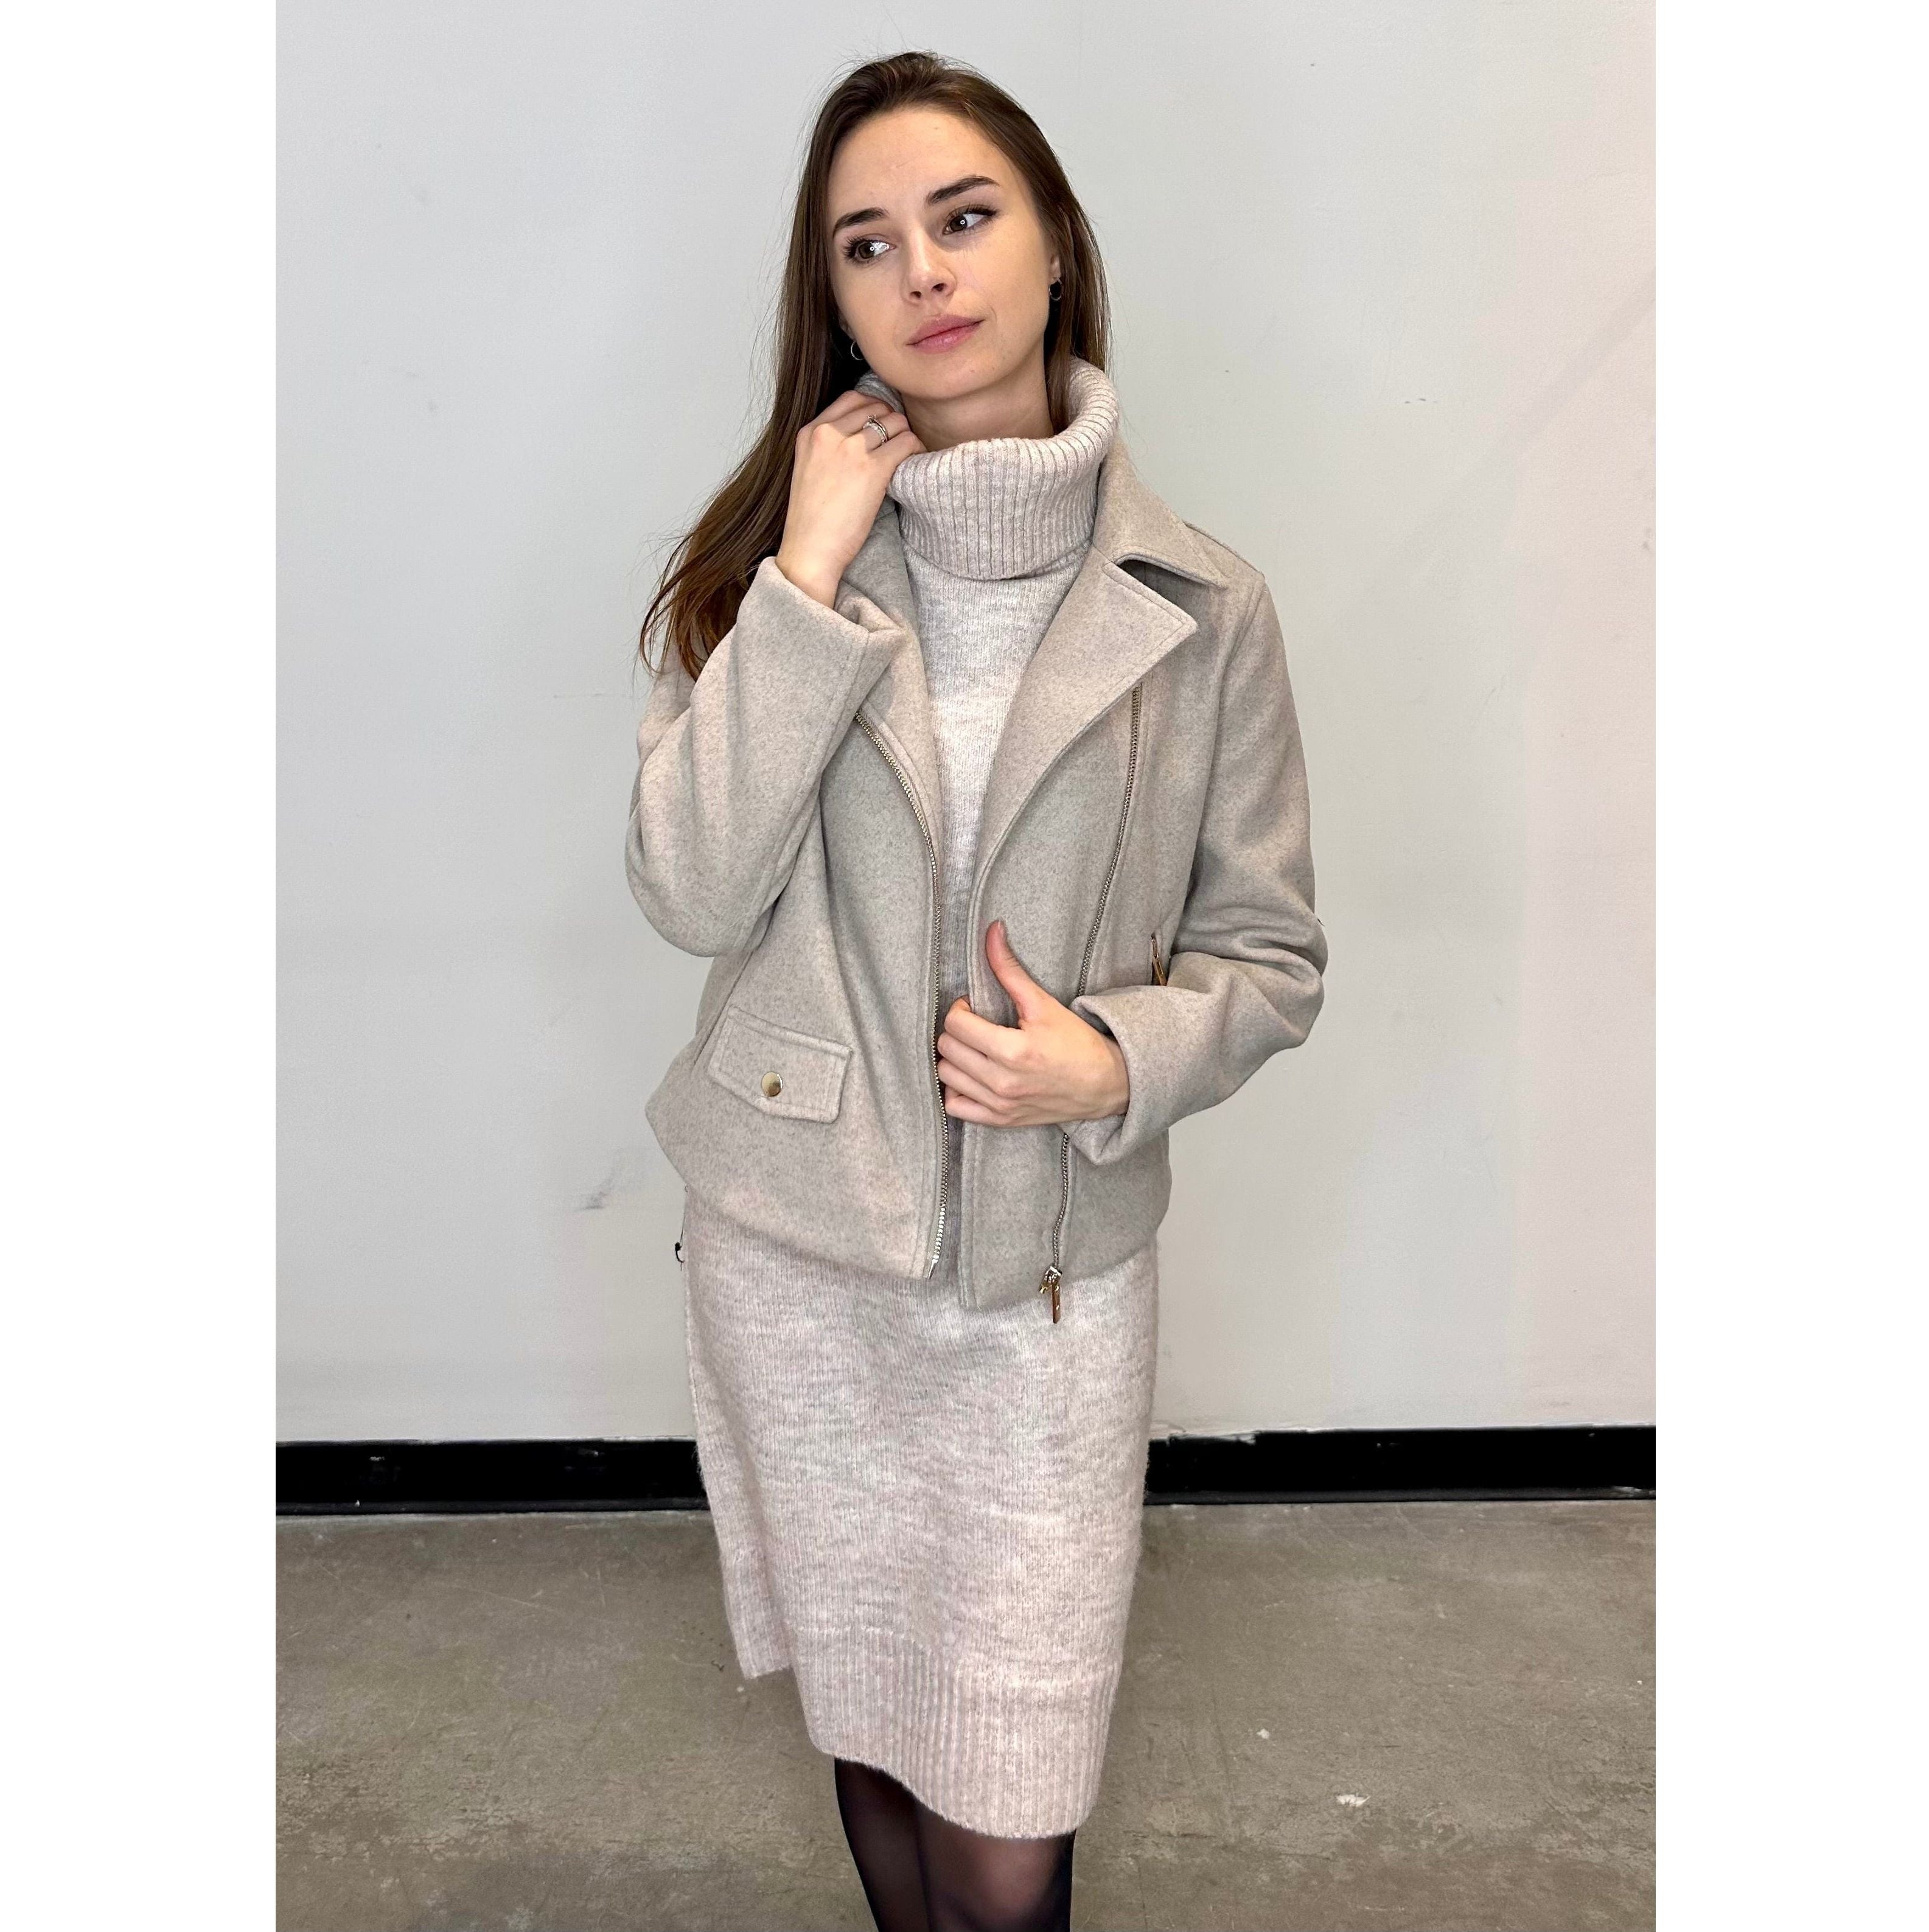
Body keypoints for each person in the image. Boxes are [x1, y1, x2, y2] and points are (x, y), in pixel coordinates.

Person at [626, 49, 1326, 1932]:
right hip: (801, 1252)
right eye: (868, 244)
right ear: (834, 299)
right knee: (873, 1726)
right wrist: (805, 577)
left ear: (1054, 245)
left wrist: (1113, 1062)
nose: (923, 270)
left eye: (963, 216)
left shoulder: (1207, 607)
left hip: (1045, 1288)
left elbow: (1270, 956)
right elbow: (691, 889)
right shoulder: (762, 581)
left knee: (1010, 1815)